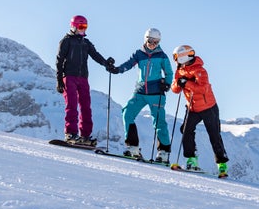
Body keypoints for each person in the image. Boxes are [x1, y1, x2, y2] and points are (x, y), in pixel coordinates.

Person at [109, 27, 174, 163]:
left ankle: (163, 153)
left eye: (156, 41)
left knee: (159, 122)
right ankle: (133, 147)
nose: (153, 44)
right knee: (127, 113)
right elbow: (128, 64)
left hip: (156, 93)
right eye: (151, 41)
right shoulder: (139, 54)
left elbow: (169, 72)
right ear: (146, 39)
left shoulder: (162, 55)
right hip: (140, 92)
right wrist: (117, 70)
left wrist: (167, 84)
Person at [170, 44, 229, 177]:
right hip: (192, 108)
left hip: (208, 107)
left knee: (214, 133)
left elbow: (203, 89)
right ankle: (192, 159)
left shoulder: (200, 70)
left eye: (176, 57)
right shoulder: (179, 71)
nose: (175, 60)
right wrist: (178, 83)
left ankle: (222, 164)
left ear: (182, 57)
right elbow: (175, 90)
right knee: (186, 130)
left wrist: (187, 83)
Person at [55, 14, 114, 144]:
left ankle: (85, 136)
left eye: (85, 27)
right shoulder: (66, 41)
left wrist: (106, 63)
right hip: (69, 76)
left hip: (83, 78)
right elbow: (59, 60)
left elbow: (95, 55)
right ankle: (71, 133)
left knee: (86, 106)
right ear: (74, 26)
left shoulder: (85, 43)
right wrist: (59, 79)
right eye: (81, 26)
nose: (83, 29)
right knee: (71, 105)